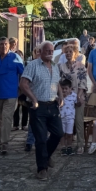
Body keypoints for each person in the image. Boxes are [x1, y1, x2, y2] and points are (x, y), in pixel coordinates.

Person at [20, 41, 63, 180]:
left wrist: (61, 96)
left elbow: (57, 83)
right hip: (38, 106)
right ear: (40, 51)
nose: (50, 53)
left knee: (58, 133)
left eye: (52, 51)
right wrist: (33, 99)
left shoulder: (55, 66)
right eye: (47, 50)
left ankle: (46, 155)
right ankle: (42, 169)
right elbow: (23, 84)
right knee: (41, 138)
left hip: (53, 105)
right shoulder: (33, 65)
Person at [59, 44, 89, 154]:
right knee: (64, 121)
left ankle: (80, 145)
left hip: (78, 96)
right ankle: (65, 145)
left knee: (78, 121)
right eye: (66, 52)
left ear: (75, 53)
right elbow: (58, 82)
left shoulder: (80, 66)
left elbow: (83, 82)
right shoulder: (61, 67)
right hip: (65, 98)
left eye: (70, 52)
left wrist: (79, 96)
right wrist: (61, 96)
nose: (68, 54)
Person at [59, 77, 77, 156]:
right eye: (62, 89)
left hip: (70, 118)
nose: (64, 90)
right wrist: (62, 97)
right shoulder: (59, 96)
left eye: (66, 88)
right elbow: (57, 103)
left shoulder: (74, 96)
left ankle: (69, 146)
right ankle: (63, 147)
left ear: (70, 89)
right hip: (61, 118)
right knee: (62, 134)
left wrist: (81, 98)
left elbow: (78, 103)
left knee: (69, 133)